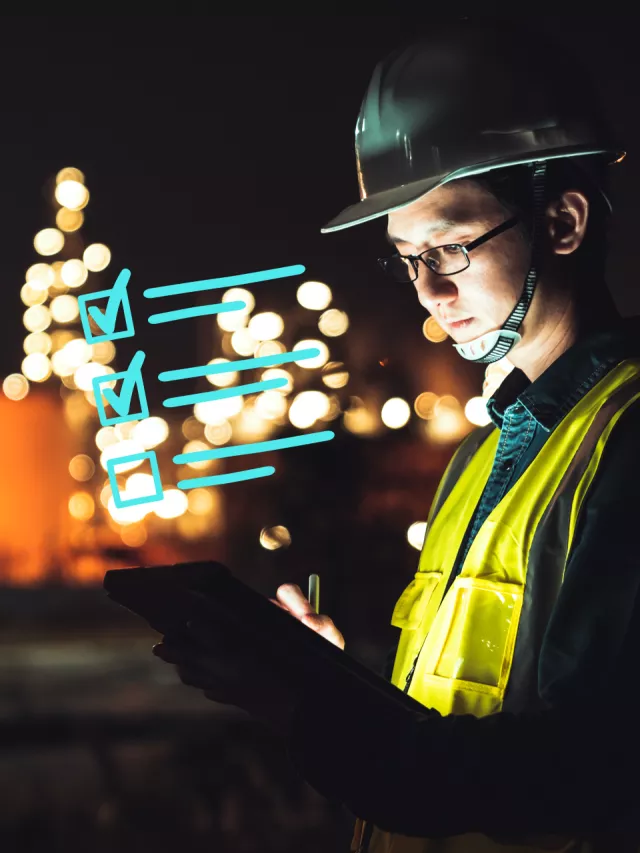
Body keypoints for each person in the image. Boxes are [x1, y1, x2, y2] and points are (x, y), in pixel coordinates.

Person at [152, 18, 640, 852]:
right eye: (407, 260)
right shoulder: (483, 457)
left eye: (449, 249)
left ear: (563, 222)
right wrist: (333, 678)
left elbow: (577, 773)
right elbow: (469, 703)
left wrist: (305, 710)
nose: (427, 293)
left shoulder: (625, 446)